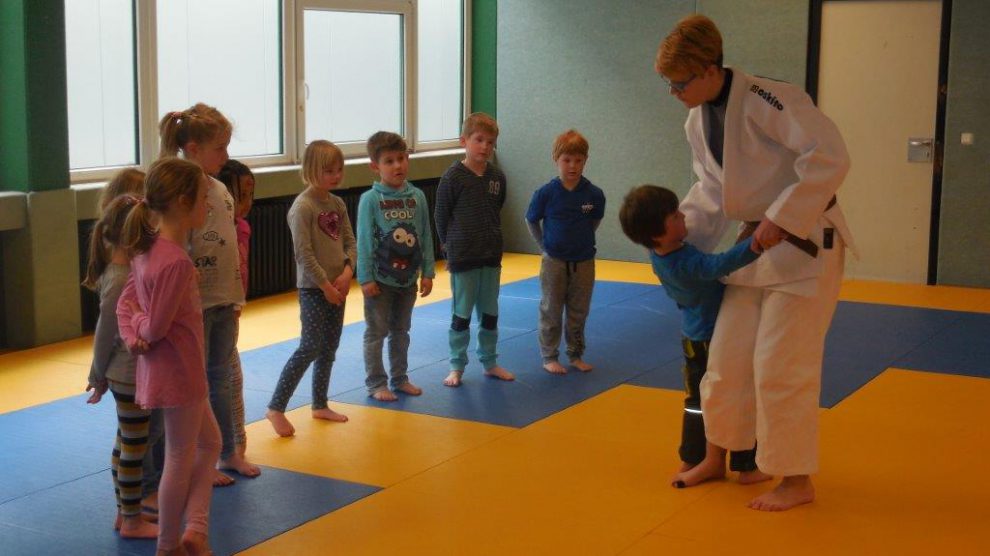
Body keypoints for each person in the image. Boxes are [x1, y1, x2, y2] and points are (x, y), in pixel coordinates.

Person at [655, 14, 855, 511]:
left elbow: (829, 155)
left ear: (707, 69)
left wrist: (784, 216)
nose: (674, 92)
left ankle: (795, 478)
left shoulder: (770, 97)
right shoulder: (696, 118)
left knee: (780, 366)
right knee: (724, 361)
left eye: (679, 82)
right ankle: (716, 455)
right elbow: (711, 188)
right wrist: (675, 238)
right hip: (753, 251)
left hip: (806, 246)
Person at [619, 184, 772, 489]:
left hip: (692, 335)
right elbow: (719, 265)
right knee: (733, 393)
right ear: (657, 234)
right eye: (675, 215)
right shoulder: (684, 263)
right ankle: (744, 464)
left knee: (698, 401)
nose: (683, 216)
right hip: (709, 337)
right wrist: (757, 242)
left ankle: (694, 455)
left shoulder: (661, 252)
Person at [116, 157, 221, 555]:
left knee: (210, 443)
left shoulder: (148, 249)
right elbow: (155, 325)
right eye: (204, 199)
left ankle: (196, 529)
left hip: (177, 370)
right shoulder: (174, 260)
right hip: (178, 373)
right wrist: (140, 332)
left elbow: (125, 307)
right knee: (180, 455)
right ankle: (168, 544)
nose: (208, 206)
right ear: (181, 202)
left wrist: (132, 335)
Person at [159, 104, 261, 483]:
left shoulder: (220, 190)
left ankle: (228, 451)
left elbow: (230, 247)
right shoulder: (178, 191)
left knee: (220, 377)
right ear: (192, 148)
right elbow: (175, 245)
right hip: (192, 306)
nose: (226, 156)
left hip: (223, 299)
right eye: (219, 148)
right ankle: (193, 458)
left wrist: (236, 297)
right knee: (193, 382)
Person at [265, 140, 356, 437]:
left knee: (329, 348)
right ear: (310, 170)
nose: (336, 175)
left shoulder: (337, 204)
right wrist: (325, 284)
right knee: (309, 347)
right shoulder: (302, 207)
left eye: (339, 170)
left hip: (337, 287)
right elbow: (303, 254)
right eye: (329, 170)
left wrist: (347, 271)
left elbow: (349, 243)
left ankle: (319, 404)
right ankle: (276, 407)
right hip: (314, 289)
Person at [83, 191, 158, 540]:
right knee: (133, 446)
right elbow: (105, 333)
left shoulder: (124, 272)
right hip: (127, 375)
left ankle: (123, 510)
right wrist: (97, 375)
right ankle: (130, 517)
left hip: (126, 374)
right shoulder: (119, 278)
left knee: (126, 441)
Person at [434, 112, 514, 387]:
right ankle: (457, 365)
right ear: (464, 141)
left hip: (490, 256)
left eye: (490, 142)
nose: (484, 147)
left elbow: (497, 207)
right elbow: (441, 216)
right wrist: (449, 249)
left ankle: (490, 362)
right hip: (463, 257)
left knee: (490, 313)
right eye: (478, 140)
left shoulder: (497, 177)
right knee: (462, 314)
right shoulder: (453, 178)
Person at [357, 131, 435, 401]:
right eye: (389, 161)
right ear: (375, 166)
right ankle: (376, 383)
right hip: (379, 280)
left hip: (407, 279)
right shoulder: (371, 200)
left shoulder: (417, 197)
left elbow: (425, 234)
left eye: (401, 158)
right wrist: (365, 277)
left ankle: (400, 378)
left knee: (401, 331)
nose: (397, 166)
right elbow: (364, 240)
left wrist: (428, 271)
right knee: (377, 331)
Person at [525, 129, 605, 374]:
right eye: (566, 160)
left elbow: (594, 221)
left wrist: (582, 242)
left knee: (579, 310)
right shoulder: (546, 193)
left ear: (585, 161)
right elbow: (531, 220)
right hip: (554, 261)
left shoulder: (594, 194)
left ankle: (575, 354)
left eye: (578, 160)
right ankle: (549, 355)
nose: (572, 166)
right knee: (551, 308)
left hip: (583, 260)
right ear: (556, 160)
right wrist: (544, 247)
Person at [216, 159, 256, 459]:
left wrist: (238, 300)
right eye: (241, 195)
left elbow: (240, 269)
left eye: (250, 195)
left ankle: (235, 444)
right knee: (224, 379)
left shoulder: (241, 227)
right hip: (215, 309)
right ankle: (226, 447)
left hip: (231, 308)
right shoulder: (214, 232)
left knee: (232, 379)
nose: (247, 203)